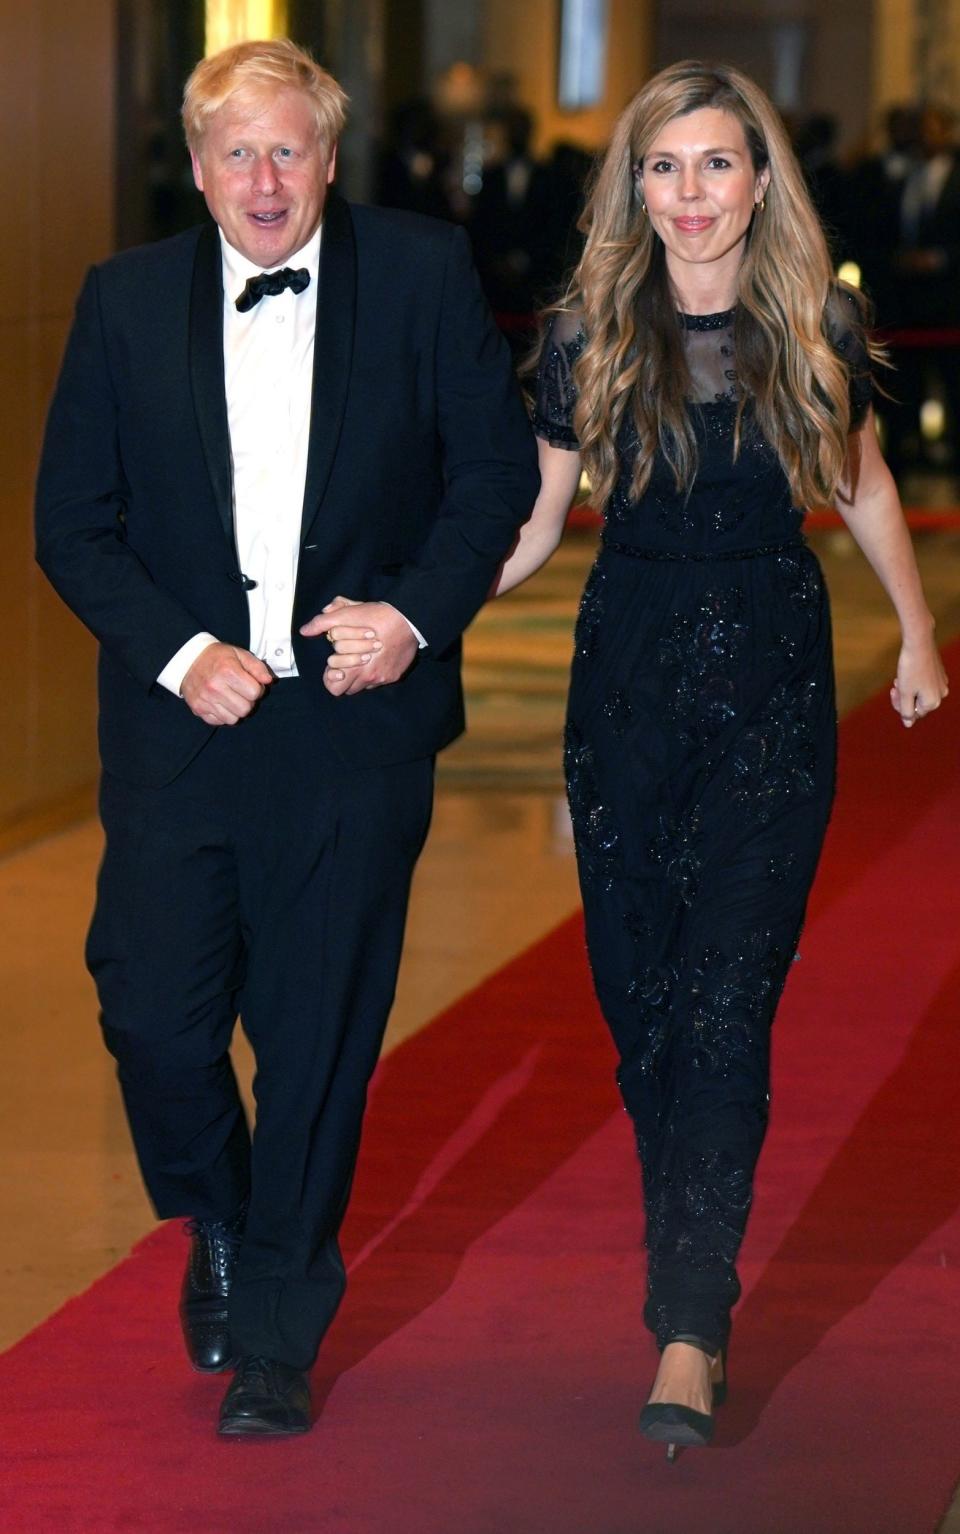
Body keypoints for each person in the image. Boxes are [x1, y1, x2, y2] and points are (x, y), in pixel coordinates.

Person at [330, 59, 948, 1454]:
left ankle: (689, 1321)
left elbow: (858, 485)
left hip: (776, 700)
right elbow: (539, 521)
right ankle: (692, 1257)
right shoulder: (587, 331)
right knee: (643, 1008)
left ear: (761, 178)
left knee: (728, 1000)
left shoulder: (816, 323)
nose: (690, 195)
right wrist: (416, 610)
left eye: (717, 163)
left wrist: (915, 635)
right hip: (625, 696)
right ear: (634, 186)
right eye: (663, 166)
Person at [35, 39, 538, 1437]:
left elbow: (491, 475)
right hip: (180, 730)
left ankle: (274, 1331)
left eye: (289, 150)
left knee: (317, 1036)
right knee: (152, 1010)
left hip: (351, 728)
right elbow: (69, 520)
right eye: (236, 153)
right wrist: (185, 656)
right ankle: (221, 1209)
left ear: (330, 156)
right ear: (197, 169)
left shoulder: (424, 273)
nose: (265, 180)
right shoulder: (123, 303)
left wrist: (415, 619)